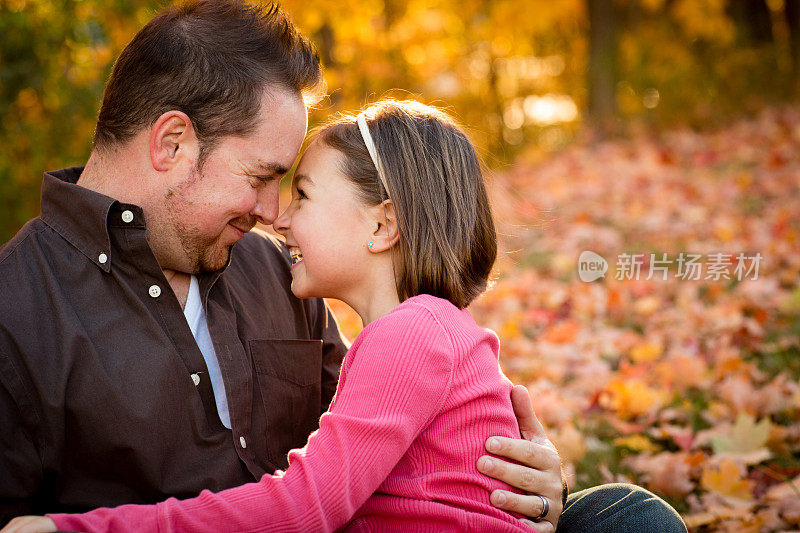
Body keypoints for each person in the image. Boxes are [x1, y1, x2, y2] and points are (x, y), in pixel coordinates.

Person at [0, 1, 686, 532]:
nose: (272, 212)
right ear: (172, 142)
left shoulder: (275, 275)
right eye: (266, 176)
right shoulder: (18, 310)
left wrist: (528, 484)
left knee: (624, 515)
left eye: (294, 187)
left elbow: (381, 455)